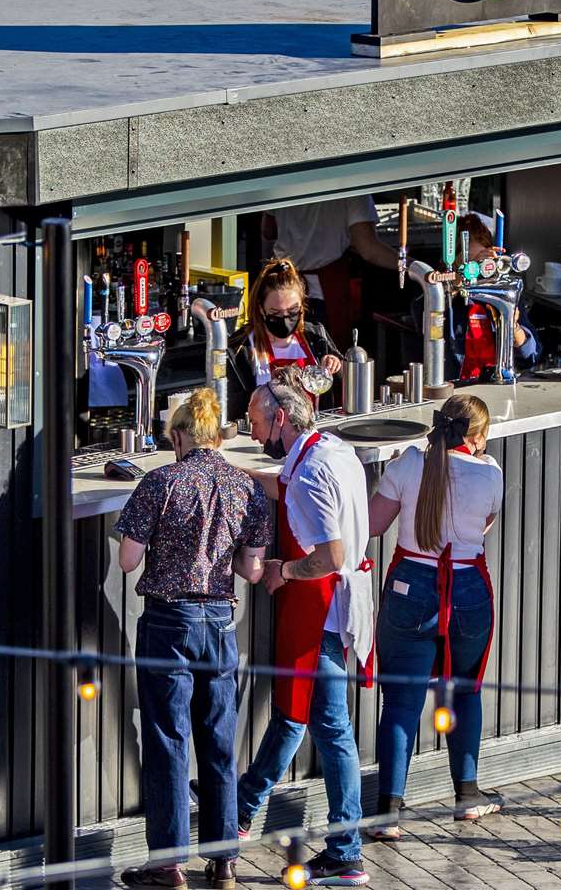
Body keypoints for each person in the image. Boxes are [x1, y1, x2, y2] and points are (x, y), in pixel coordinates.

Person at [114, 388, 271, 890]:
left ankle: (168, 864)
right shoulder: (247, 489)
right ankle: (223, 860)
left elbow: (128, 560)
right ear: (218, 437)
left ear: (179, 436)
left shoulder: (160, 482)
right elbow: (250, 568)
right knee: (219, 740)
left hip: (168, 622)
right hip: (221, 623)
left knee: (169, 741)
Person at [235, 368, 374, 887]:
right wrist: (236, 472)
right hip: (340, 607)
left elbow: (328, 556)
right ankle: (244, 805)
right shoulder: (331, 450)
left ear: (283, 418)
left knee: (329, 729)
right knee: (298, 713)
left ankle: (345, 851)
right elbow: (287, 483)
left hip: (321, 610)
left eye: (254, 423)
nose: (252, 434)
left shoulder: (312, 473)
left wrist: (282, 570)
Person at [366, 394, 504, 840]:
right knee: (465, 691)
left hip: (411, 585)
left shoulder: (408, 463)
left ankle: (389, 813)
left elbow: (372, 524)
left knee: (402, 702)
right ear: (478, 437)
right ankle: (467, 796)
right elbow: (483, 525)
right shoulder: (491, 472)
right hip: (467, 588)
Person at [412, 213, 540, 383]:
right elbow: (421, 309)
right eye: (472, 263)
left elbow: (531, 356)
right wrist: (457, 282)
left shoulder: (501, 294)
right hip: (455, 389)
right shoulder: (441, 297)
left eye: (483, 263)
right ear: (453, 261)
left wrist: (513, 328)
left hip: (496, 385)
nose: (477, 271)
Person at [265, 196, 399, 349]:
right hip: (321, 294)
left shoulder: (282, 176)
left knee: (283, 354)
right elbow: (368, 248)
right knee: (328, 359)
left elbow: (268, 230)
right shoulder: (353, 183)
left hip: (282, 290)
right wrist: (411, 264)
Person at [226, 258, 344, 422]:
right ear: (261, 309)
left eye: (293, 311)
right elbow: (231, 410)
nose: (285, 319)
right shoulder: (239, 349)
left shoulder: (316, 337)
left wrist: (336, 366)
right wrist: (268, 389)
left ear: (302, 306)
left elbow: (347, 384)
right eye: (276, 313)